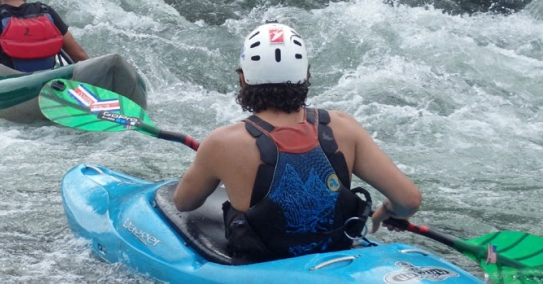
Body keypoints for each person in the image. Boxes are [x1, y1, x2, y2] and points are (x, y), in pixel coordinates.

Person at [173, 21, 421, 263]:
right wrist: (389, 211)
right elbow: (409, 200)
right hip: (337, 258)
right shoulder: (344, 127)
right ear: (306, 76)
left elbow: (184, 203)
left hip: (264, 269)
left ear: (243, 79)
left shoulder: (221, 143)